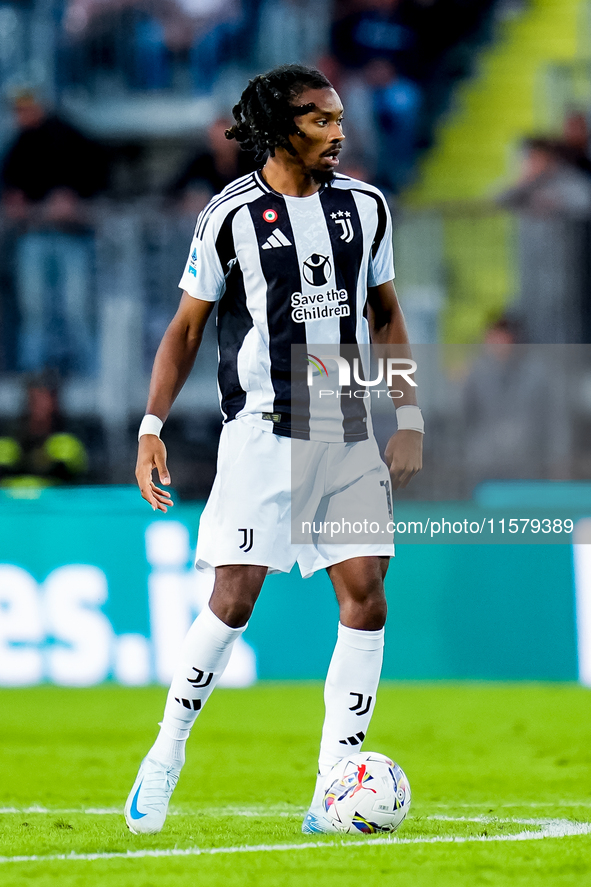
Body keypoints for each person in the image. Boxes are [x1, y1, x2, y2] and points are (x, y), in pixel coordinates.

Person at [124, 63, 424, 836]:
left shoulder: (367, 207)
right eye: (320, 119)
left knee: (365, 589)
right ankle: (164, 755)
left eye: (338, 118)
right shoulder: (228, 215)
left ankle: (335, 778)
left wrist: (408, 413)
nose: (337, 132)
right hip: (260, 423)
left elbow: (385, 314)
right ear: (280, 126)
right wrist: (151, 427)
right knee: (234, 597)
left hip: (343, 413)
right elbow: (185, 328)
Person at [1, 90, 109, 374]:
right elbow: (12, 195)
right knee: (35, 312)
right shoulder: (18, 145)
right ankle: (34, 379)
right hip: (34, 236)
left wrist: (74, 199)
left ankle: (89, 376)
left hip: (71, 237)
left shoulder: (69, 136)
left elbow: (98, 175)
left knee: (77, 311)